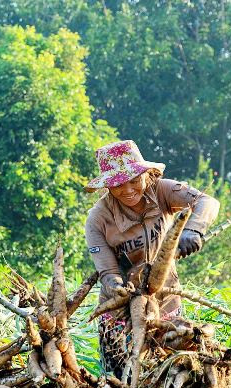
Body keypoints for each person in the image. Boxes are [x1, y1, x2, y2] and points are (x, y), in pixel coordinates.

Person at [83, 140, 219, 372]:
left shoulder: (163, 190)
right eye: (117, 185)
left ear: (146, 174)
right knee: (122, 380)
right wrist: (119, 289)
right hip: (120, 314)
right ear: (107, 186)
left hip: (166, 302)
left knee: (176, 371)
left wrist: (193, 229)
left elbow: (207, 202)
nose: (127, 190)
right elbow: (107, 271)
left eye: (134, 180)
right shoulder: (97, 219)